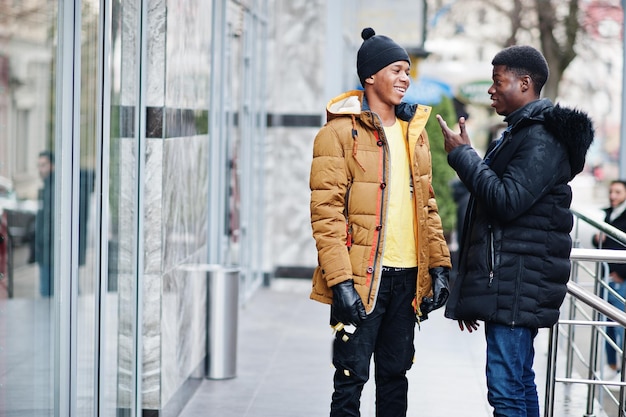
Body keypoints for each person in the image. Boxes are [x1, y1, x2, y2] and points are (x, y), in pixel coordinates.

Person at [436, 45, 594, 417]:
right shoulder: (519, 133)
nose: (491, 90)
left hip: (517, 285)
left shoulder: (540, 138)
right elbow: (486, 217)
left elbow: (507, 201)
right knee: (518, 384)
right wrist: (471, 295)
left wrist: (463, 155)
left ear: (524, 83)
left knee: (507, 391)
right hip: (510, 285)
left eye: (498, 81)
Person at [309, 27, 452, 417]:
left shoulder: (414, 134)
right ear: (370, 75)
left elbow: (429, 207)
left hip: (407, 280)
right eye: (397, 69)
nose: (405, 78)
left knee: (395, 376)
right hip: (361, 278)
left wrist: (438, 266)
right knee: (350, 378)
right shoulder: (338, 132)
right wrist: (340, 282)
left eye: (408, 71)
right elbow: (326, 214)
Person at [592, 179, 626, 377]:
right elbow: (605, 244)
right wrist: (597, 239)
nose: (612, 196)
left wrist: (622, 274)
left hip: (621, 280)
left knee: (620, 327)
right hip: (608, 279)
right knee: (608, 325)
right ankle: (613, 367)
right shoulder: (610, 214)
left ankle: (620, 372)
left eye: (618, 192)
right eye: (611, 191)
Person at [35, 150, 55, 297]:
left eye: (43, 165)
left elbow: (49, 222)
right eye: (39, 166)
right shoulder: (46, 187)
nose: (40, 169)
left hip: (50, 253)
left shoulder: (54, 189)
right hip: (45, 252)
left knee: (47, 294)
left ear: (52, 166)